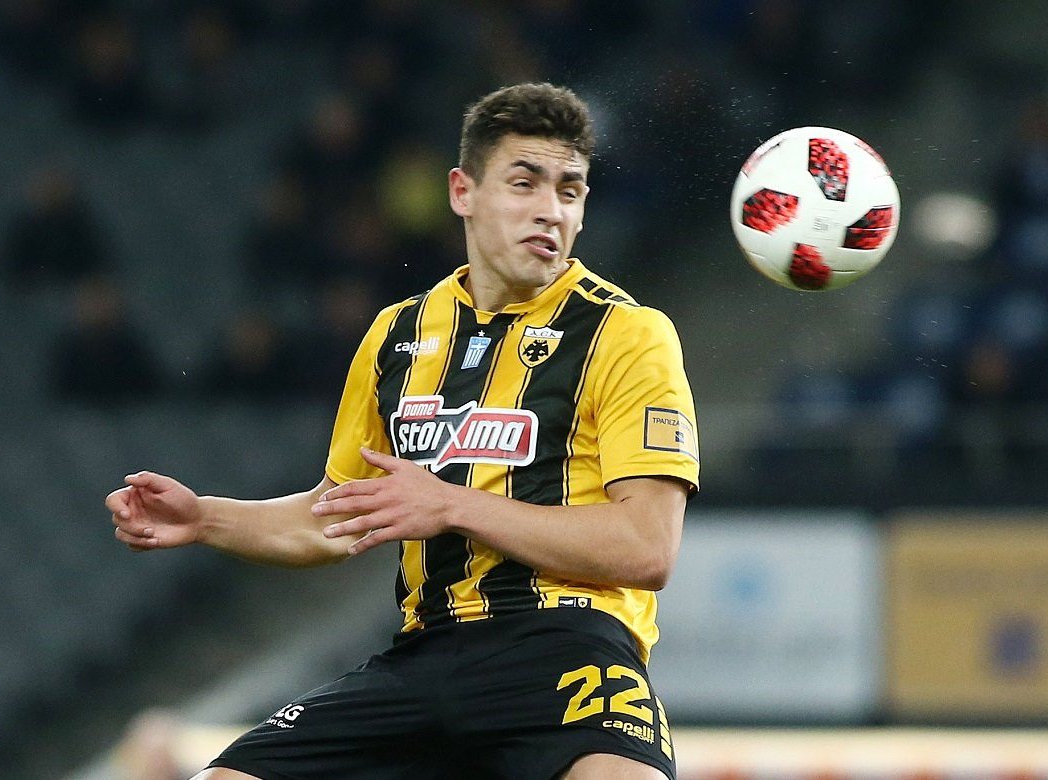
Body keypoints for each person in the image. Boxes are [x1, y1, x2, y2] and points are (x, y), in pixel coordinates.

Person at [105, 83, 699, 780]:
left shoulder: (627, 334)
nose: (550, 209)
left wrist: (451, 505)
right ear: (462, 192)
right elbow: (335, 518)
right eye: (524, 183)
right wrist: (205, 518)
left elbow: (646, 547)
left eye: (570, 191)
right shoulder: (398, 335)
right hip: (426, 655)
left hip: (570, 651)